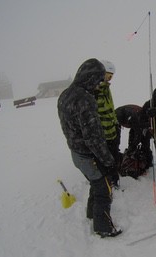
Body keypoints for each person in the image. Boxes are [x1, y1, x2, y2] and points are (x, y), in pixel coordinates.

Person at [57, 58, 122, 237]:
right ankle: (103, 227)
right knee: (104, 190)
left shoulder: (66, 94)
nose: (99, 85)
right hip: (87, 155)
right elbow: (93, 137)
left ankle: (90, 214)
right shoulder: (85, 99)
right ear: (90, 77)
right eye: (98, 80)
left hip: (75, 152)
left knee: (96, 183)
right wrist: (108, 161)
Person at [95, 60, 121, 188]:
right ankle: (108, 182)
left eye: (111, 76)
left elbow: (110, 108)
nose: (109, 79)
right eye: (108, 75)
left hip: (112, 130)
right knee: (106, 159)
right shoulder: (94, 90)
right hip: (102, 134)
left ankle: (114, 180)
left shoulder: (106, 89)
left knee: (114, 156)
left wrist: (116, 124)